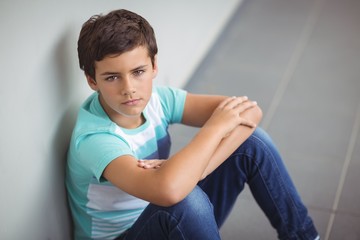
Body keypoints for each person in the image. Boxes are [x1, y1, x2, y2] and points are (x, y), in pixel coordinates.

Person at [66, 9, 320, 240]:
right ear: (92, 81)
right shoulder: (95, 138)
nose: (129, 89)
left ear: (154, 66)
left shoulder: (158, 100)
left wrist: (199, 170)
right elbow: (169, 191)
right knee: (185, 198)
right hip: (125, 235)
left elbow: (250, 111)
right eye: (112, 77)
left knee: (253, 142)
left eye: (138, 72)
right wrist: (214, 128)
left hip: (166, 220)